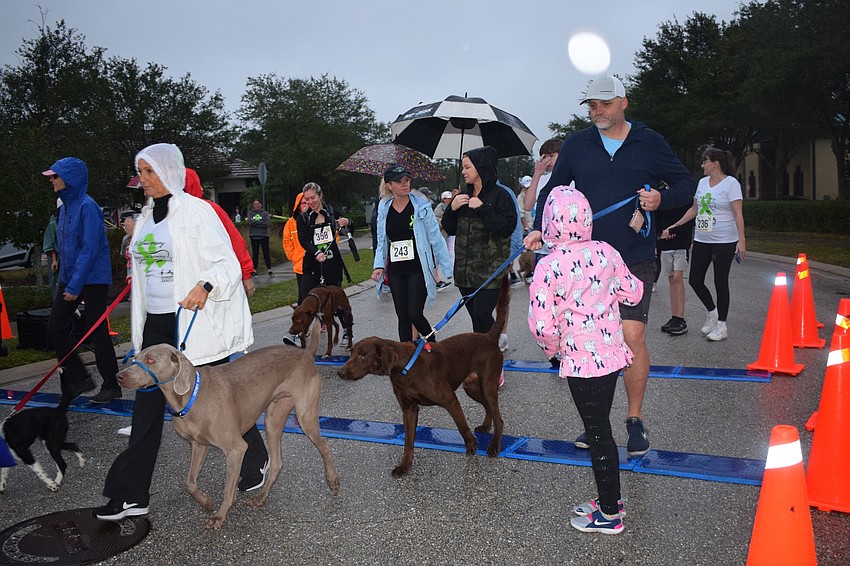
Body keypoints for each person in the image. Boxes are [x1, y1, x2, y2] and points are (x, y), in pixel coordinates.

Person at [94, 143, 268, 522]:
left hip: (193, 322)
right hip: (156, 325)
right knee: (147, 408)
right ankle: (132, 494)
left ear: (169, 172)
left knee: (222, 398)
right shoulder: (144, 218)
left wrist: (205, 285)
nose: (142, 180)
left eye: (149, 172)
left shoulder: (197, 211)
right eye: (140, 172)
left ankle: (254, 457)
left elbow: (226, 263)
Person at [524, 75, 696, 456]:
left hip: (634, 256)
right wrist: (539, 228)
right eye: (592, 105)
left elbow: (686, 184)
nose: (597, 111)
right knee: (593, 343)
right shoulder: (577, 145)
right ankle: (597, 424)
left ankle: (634, 418)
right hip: (586, 265)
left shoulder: (649, 142)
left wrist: (660, 199)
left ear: (623, 103)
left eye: (604, 103)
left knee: (631, 334)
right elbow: (552, 192)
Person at [528, 186, 643, 535]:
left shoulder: (548, 266)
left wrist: (554, 350)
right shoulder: (606, 251)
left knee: (598, 434)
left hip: (581, 361)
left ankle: (609, 514)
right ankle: (612, 499)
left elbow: (542, 325)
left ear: (550, 221)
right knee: (600, 427)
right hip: (612, 356)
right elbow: (634, 292)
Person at [42, 158, 121, 405]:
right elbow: (66, 248)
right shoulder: (65, 207)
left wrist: (75, 285)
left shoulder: (88, 207)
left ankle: (111, 385)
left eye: (55, 176)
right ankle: (77, 380)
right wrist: (67, 279)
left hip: (93, 278)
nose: (52, 180)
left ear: (70, 178)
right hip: (71, 277)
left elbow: (90, 248)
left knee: (97, 330)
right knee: (55, 326)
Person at [665, 148, 745, 342]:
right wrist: (676, 224)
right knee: (695, 279)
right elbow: (694, 209)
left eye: (705, 161)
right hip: (702, 239)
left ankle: (722, 326)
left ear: (715, 163)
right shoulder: (702, 183)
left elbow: (738, 213)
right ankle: (712, 312)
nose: (702, 165)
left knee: (720, 281)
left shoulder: (731, 184)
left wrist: (742, 240)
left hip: (724, 241)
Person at [441, 146, 517, 335]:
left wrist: (484, 208)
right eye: (463, 167)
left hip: (490, 273)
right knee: (477, 320)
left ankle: (491, 350)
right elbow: (449, 228)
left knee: (482, 316)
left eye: (467, 167)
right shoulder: (462, 197)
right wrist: (452, 209)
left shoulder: (501, 196)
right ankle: (485, 351)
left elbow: (506, 228)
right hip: (465, 274)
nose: (463, 171)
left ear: (481, 167)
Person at [372, 165, 453, 342]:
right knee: (402, 316)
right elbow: (381, 241)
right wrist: (378, 265)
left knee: (414, 314)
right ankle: (406, 353)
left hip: (418, 267)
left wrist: (446, 268)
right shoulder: (384, 208)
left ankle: (433, 346)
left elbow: (436, 238)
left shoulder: (421, 206)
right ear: (389, 185)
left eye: (407, 180)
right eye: (399, 181)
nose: (405, 184)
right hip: (396, 270)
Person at [184, 168, 256, 298]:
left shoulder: (210, 210)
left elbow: (234, 241)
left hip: (210, 283)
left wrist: (246, 274)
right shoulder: (157, 215)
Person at [296, 182, 349, 293]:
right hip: (312, 264)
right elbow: (303, 240)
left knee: (334, 296)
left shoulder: (331, 213)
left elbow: (348, 229)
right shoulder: (303, 218)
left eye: (313, 198)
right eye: (307, 199)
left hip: (332, 263)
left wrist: (347, 222)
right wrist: (316, 253)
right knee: (307, 297)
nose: (310, 202)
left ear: (320, 195)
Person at [656, 203, 695, 335]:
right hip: (666, 244)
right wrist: (661, 234)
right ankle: (674, 317)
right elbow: (658, 218)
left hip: (681, 244)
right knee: (671, 279)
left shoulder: (685, 198)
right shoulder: (663, 198)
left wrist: (674, 231)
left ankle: (680, 318)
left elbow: (690, 219)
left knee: (678, 278)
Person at [283, 192, 308, 304]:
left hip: (318, 262)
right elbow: (287, 242)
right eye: (303, 203)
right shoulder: (291, 223)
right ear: (298, 205)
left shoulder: (319, 218)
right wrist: (294, 257)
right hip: (300, 265)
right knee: (303, 296)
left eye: (307, 202)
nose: (306, 205)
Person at [247, 198, 273, 277]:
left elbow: (266, 224)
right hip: (254, 236)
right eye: (255, 204)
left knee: (266, 253)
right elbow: (250, 223)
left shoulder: (265, 214)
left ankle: (269, 270)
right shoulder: (251, 213)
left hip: (264, 236)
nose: (256, 205)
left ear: (261, 205)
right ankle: (254, 270)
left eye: (257, 204)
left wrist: (256, 223)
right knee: (255, 254)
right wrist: (260, 222)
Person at [42, 198, 61, 300]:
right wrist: (54, 260)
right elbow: (50, 243)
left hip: (69, 257)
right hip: (58, 258)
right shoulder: (53, 224)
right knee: (56, 281)